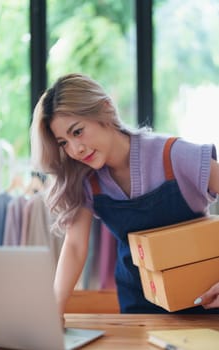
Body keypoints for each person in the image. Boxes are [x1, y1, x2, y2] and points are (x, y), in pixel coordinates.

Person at [30, 73, 219, 319]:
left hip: (205, 300)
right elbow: (75, 246)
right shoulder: (86, 181)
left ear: (106, 110)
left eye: (77, 132)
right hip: (138, 308)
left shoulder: (175, 155)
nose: (75, 149)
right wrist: (54, 309)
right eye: (63, 142)